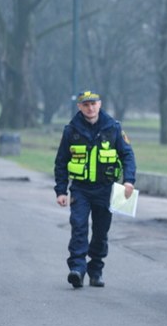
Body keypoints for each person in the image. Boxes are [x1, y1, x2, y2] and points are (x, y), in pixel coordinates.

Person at [54, 90, 136, 289]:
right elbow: (61, 162)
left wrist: (129, 181)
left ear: (100, 104)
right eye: (85, 105)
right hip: (80, 189)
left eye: (93, 104)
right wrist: (61, 191)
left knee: (101, 231)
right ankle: (77, 269)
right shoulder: (71, 130)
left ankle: (96, 269)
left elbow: (127, 156)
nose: (90, 108)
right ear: (79, 107)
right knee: (79, 227)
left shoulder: (114, 128)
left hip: (106, 189)